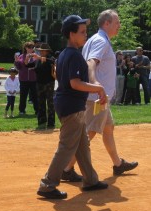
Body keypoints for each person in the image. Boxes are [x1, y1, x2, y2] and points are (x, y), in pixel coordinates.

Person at [37, 15, 108, 200]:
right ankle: (47, 185)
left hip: (69, 104)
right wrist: (99, 88)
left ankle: (91, 180)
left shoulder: (64, 54)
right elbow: (75, 83)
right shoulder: (75, 55)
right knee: (67, 146)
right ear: (71, 34)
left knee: (82, 144)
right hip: (72, 106)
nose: (86, 35)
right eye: (82, 32)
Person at [63, 9, 138, 180]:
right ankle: (66, 169)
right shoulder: (101, 41)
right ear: (106, 23)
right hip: (97, 98)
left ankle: (118, 164)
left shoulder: (97, 39)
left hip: (100, 97)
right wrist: (95, 85)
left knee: (108, 129)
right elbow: (91, 64)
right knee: (89, 133)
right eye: (117, 22)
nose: (119, 25)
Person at [26, 43, 56, 129]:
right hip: (39, 83)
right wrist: (27, 59)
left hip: (49, 83)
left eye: (42, 51)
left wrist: (39, 58)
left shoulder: (50, 58)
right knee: (40, 103)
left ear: (47, 51)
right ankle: (41, 122)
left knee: (50, 104)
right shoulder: (38, 60)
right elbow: (28, 65)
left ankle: (51, 123)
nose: (41, 52)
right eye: (40, 51)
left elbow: (52, 61)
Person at [14, 41, 38, 115]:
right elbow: (18, 67)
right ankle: (22, 110)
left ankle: (37, 110)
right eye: (29, 47)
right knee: (23, 95)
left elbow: (37, 66)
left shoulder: (35, 56)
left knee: (35, 95)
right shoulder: (21, 56)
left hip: (33, 79)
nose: (30, 49)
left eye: (32, 47)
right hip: (23, 79)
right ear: (25, 48)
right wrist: (16, 61)